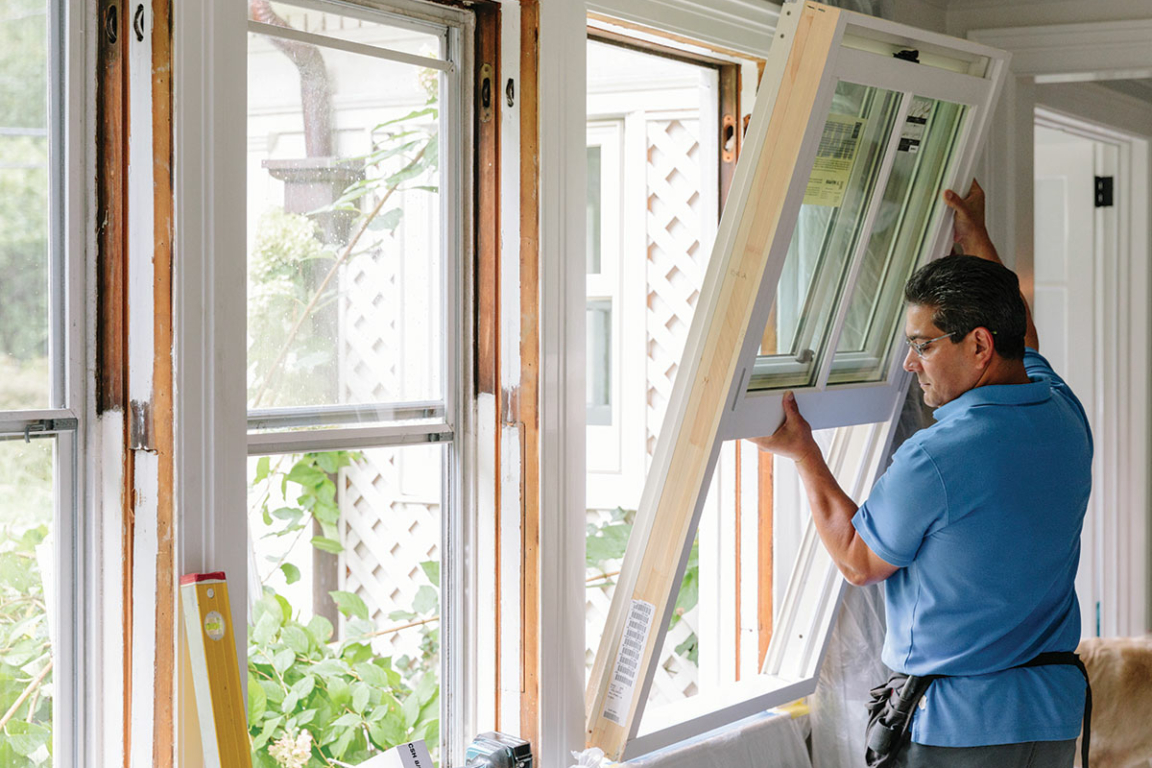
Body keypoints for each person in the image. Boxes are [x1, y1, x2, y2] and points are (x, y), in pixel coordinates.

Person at [752, 180, 1092, 768]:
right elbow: (1023, 336)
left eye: (923, 345)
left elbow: (859, 561)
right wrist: (977, 239)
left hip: (957, 730)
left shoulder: (939, 455)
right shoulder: (1063, 411)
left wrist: (803, 451)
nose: (910, 363)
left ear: (979, 345)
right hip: (1051, 720)